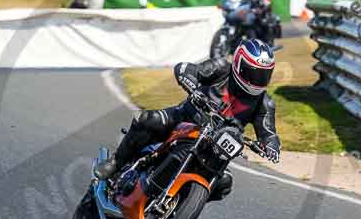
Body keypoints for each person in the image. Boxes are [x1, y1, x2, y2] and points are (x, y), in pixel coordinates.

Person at [95, 39, 281, 200]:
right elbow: (185, 69)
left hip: (215, 147)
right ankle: (116, 163)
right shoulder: (221, 68)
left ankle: (181, 203)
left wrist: (271, 147)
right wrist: (193, 87)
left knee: (224, 184)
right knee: (147, 119)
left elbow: (268, 133)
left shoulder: (264, 103)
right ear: (239, 64)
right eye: (253, 73)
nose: (257, 79)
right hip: (184, 118)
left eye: (263, 75)